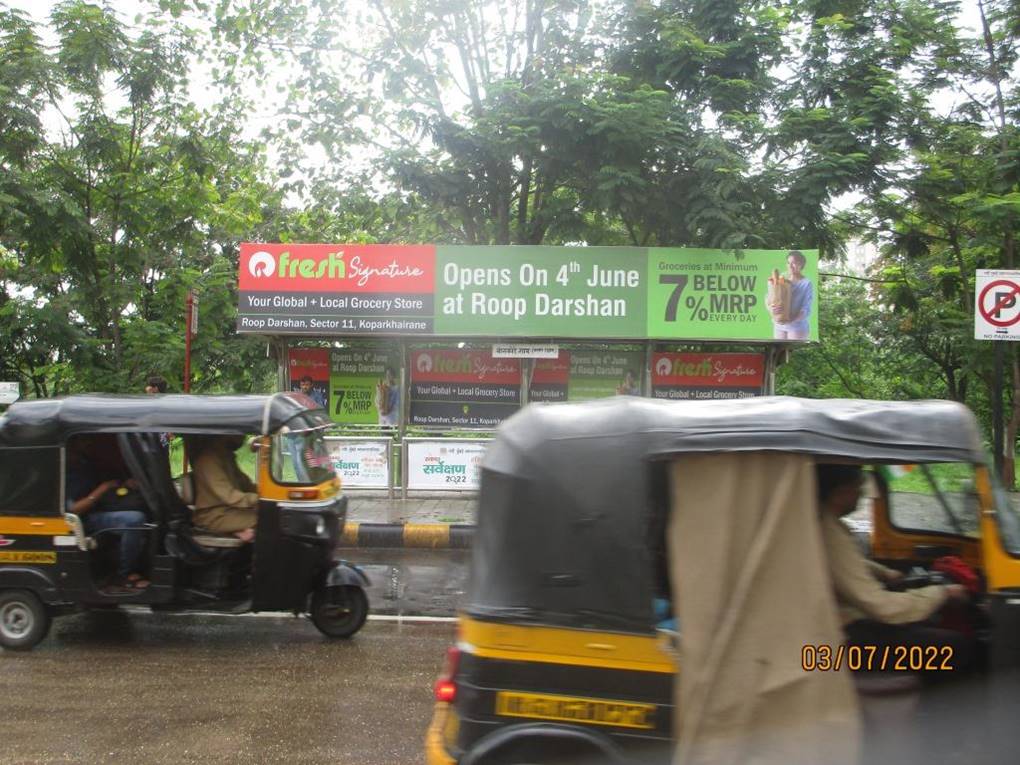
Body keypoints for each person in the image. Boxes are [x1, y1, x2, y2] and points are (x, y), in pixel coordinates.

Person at [816, 463, 974, 672]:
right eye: (858, 487)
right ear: (840, 493)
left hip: (841, 627)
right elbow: (883, 607)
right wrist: (942, 593)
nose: (862, 494)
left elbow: (840, 563)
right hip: (838, 642)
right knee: (959, 647)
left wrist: (884, 572)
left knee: (922, 630)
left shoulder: (824, 522)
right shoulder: (830, 533)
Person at [66, 437, 150, 592]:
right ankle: (125, 574)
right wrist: (102, 490)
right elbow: (74, 509)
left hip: (101, 508)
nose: (89, 443)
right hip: (83, 519)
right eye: (84, 441)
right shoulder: (64, 472)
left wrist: (124, 485)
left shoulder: (85, 463)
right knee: (134, 520)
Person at [187, 434, 258, 542]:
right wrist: (259, 500)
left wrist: (269, 493)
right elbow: (229, 496)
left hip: (229, 510)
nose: (243, 438)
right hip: (213, 516)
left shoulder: (226, 456)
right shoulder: (208, 460)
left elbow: (246, 484)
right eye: (239, 433)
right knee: (266, 520)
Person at [770, 250, 813, 340]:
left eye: (794, 263)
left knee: (791, 352)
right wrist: (772, 307)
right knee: (778, 352)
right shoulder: (781, 277)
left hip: (796, 326)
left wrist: (792, 319)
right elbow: (769, 297)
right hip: (779, 325)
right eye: (788, 263)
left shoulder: (806, 283)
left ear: (801, 264)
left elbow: (806, 308)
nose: (790, 266)